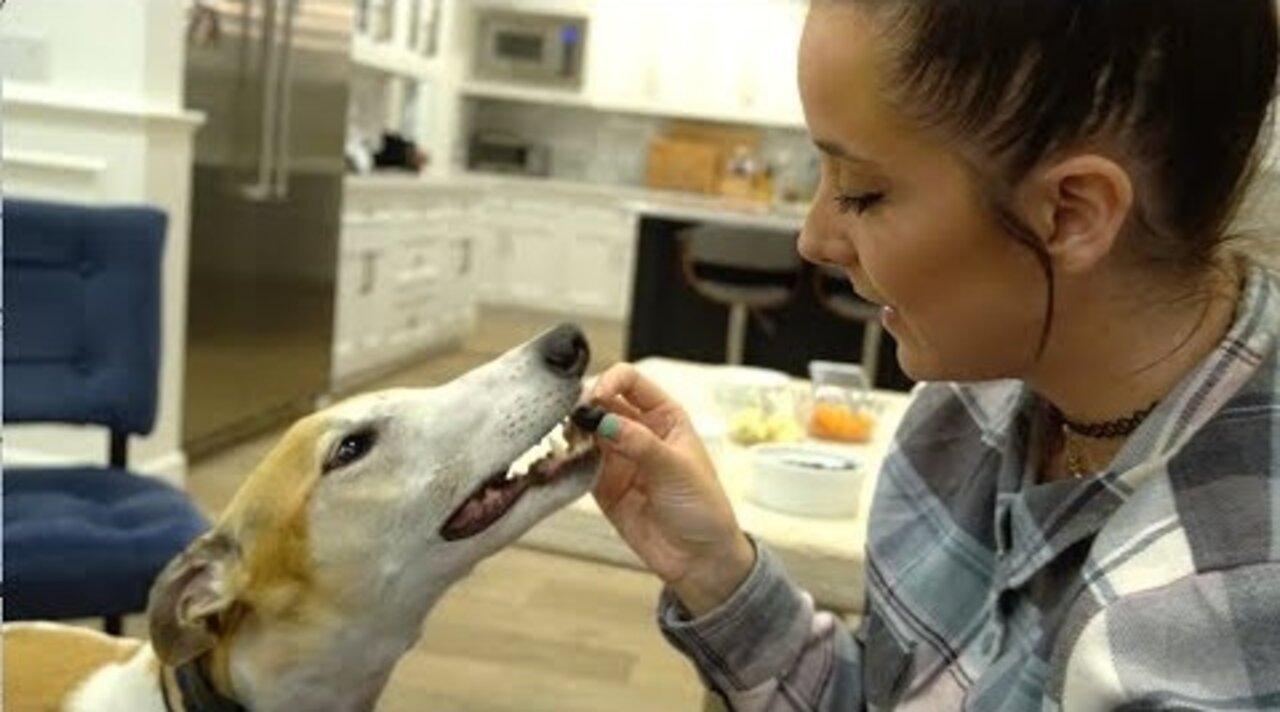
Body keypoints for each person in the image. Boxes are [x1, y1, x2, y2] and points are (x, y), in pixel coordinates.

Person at [580, 1, 1280, 709]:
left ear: (1070, 212)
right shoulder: (964, 412)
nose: (815, 240)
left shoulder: (1222, 625)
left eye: (862, 192)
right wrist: (716, 570)